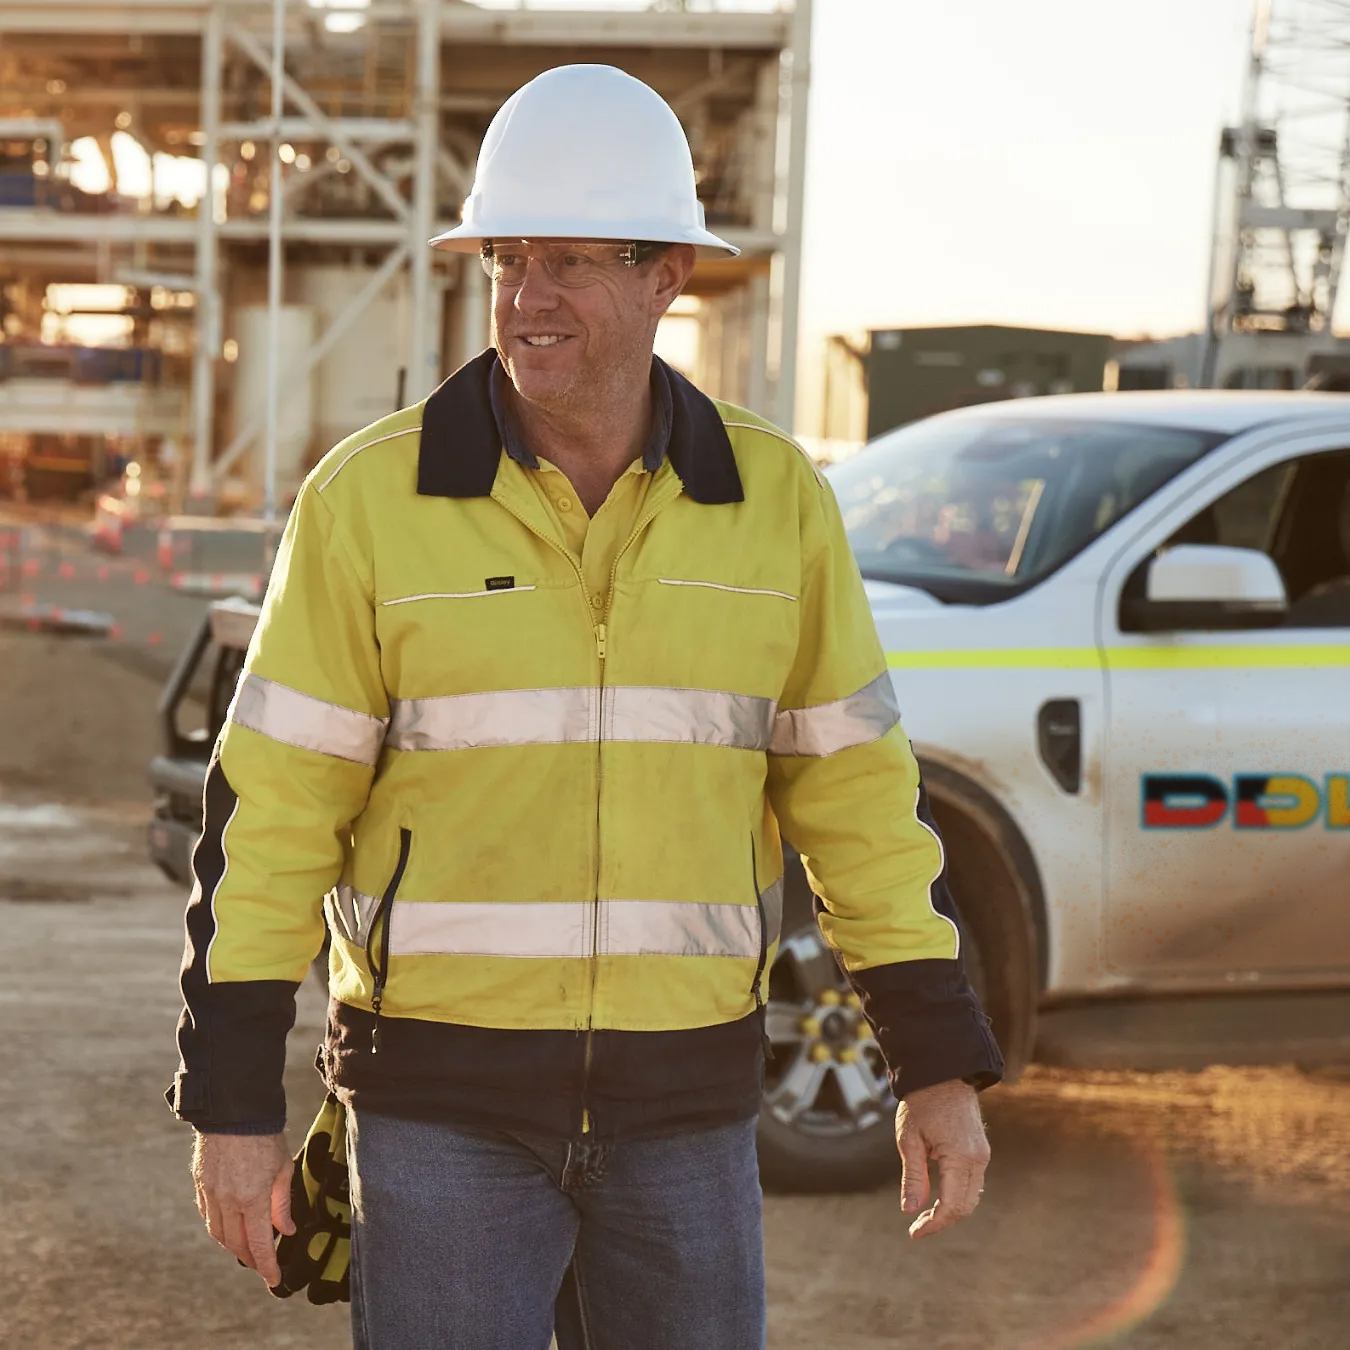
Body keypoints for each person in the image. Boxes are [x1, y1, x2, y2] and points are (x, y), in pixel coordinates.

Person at [170, 63, 1003, 1350]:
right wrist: (232, 1105)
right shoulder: (367, 504)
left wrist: (934, 1064)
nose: (524, 296)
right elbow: (272, 812)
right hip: (439, 1109)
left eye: (569, 261)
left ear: (666, 272)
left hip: (687, 1111)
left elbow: (857, 804)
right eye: (508, 257)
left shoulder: (777, 502)